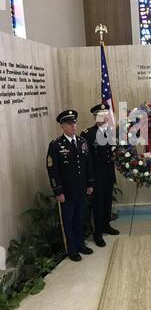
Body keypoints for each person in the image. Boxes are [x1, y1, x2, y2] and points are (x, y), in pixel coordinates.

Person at [46, 110, 94, 262]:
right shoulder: (56, 145)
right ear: (62, 126)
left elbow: (88, 164)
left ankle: (80, 244)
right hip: (66, 192)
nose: (73, 126)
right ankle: (71, 249)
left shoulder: (82, 142)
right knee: (68, 220)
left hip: (81, 189)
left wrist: (90, 183)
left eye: (74, 122)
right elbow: (52, 170)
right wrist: (58, 191)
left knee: (79, 219)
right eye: (69, 123)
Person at [81, 103, 119, 248]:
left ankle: (106, 225)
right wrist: (89, 180)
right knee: (97, 204)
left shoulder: (110, 132)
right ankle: (97, 233)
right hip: (96, 175)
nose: (103, 117)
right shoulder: (87, 134)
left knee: (107, 201)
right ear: (95, 116)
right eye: (100, 115)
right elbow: (87, 159)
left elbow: (112, 152)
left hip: (109, 173)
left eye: (105, 115)